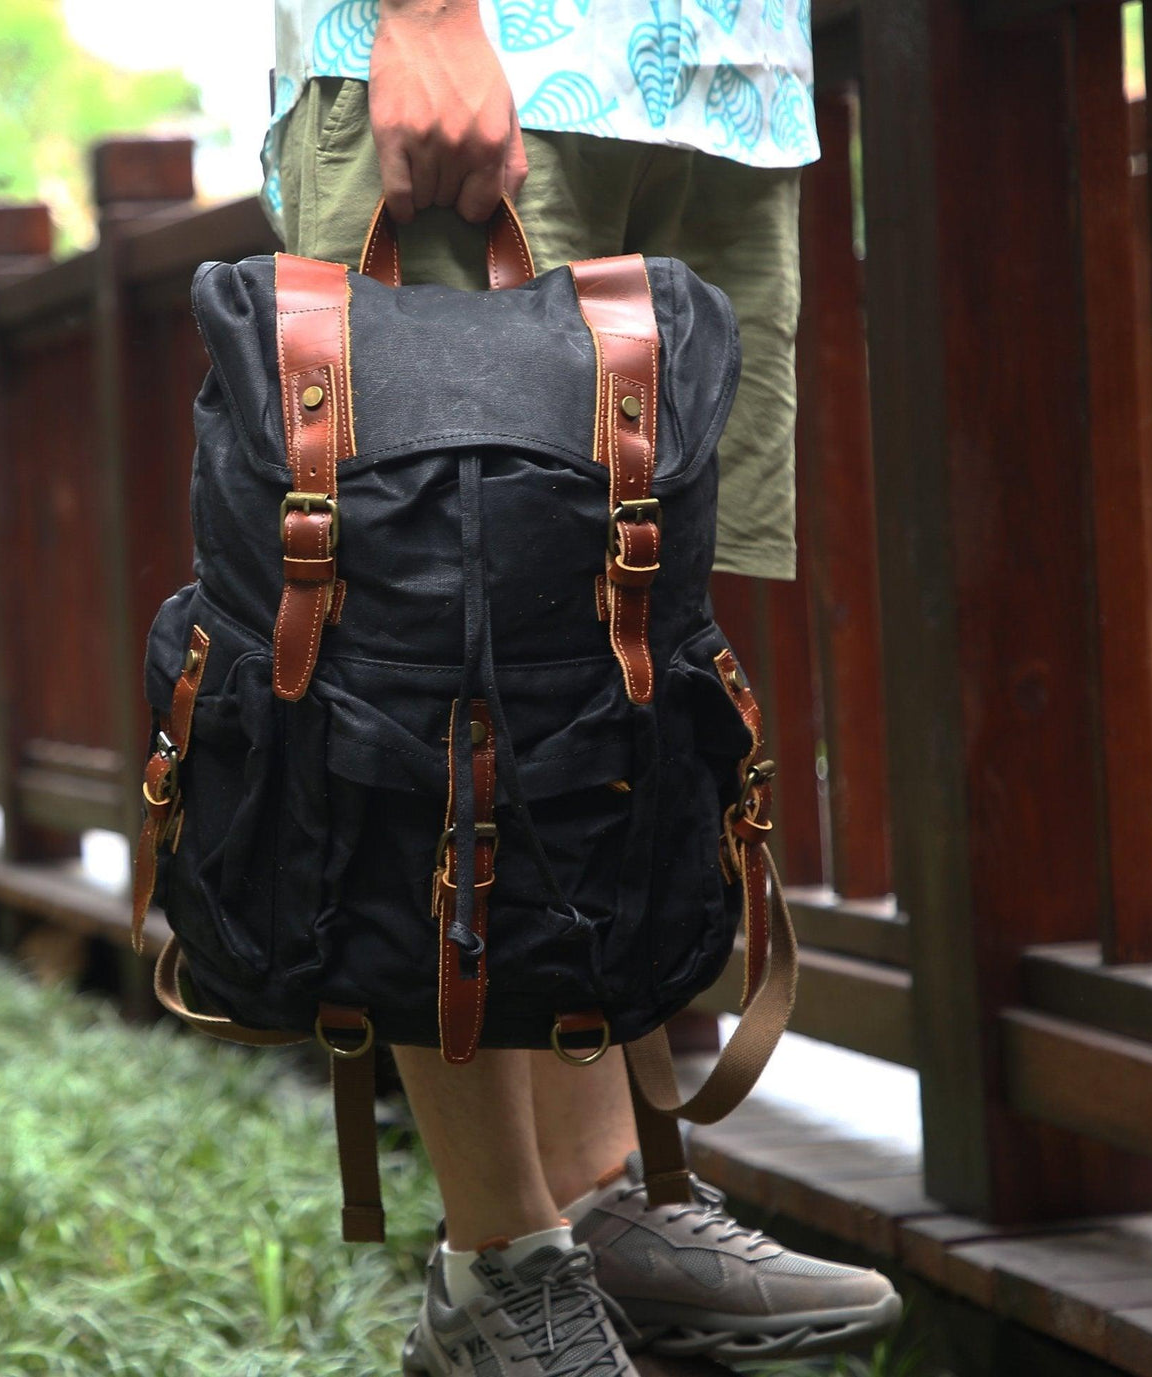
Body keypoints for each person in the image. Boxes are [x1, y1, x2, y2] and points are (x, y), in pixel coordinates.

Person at [260, 1, 903, 1371]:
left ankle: (602, 1197)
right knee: (439, 646)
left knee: (629, 649)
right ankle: (499, 1261)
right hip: (492, 57)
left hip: (719, 89)